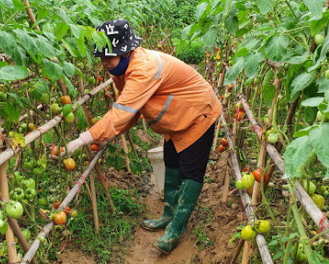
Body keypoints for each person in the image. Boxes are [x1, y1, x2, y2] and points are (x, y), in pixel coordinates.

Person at [61, 19, 222, 253]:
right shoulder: (124, 70)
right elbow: (131, 110)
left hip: (198, 115)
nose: (104, 62)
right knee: (172, 162)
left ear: (126, 51)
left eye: (110, 56)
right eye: (102, 57)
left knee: (191, 171)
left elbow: (123, 110)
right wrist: (109, 134)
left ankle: (176, 230)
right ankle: (168, 215)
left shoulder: (144, 68)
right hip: (176, 120)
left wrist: (82, 139)